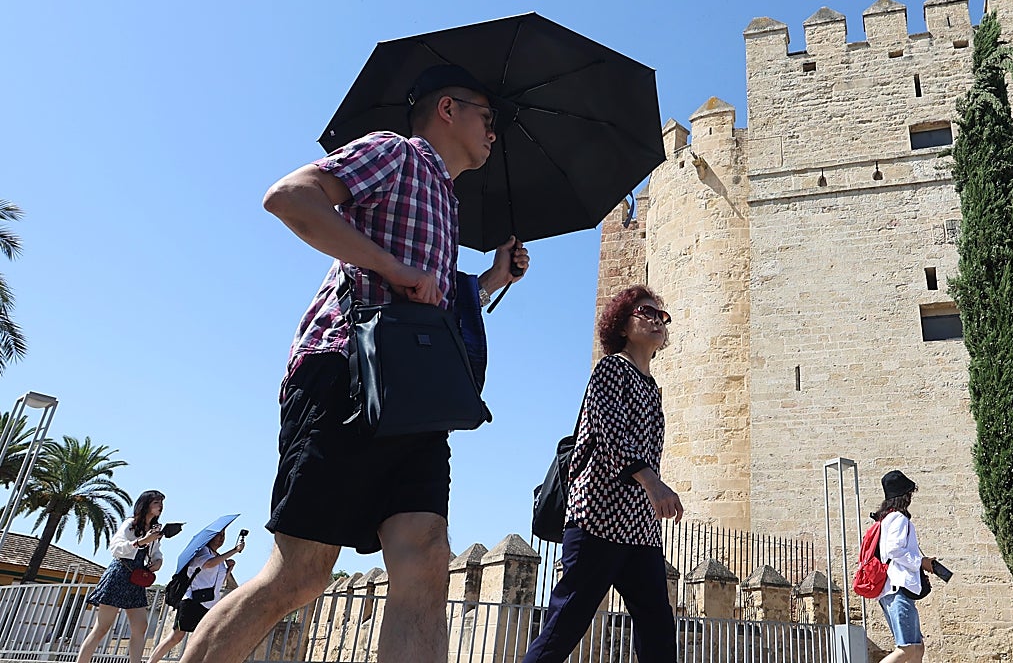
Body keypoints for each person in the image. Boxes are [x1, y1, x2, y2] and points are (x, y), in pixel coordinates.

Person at [180, 64, 529, 663]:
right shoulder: (394, 153)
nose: (493, 133)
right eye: (486, 117)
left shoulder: (448, 198)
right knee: (301, 575)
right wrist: (393, 270)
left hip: (415, 396)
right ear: (448, 109)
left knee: (425, 558)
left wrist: (493, 277)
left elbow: (433, 297)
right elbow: (289, 197)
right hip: (345, 371)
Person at [522, 285, 684, 663]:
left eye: (662, 315)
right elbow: (611, 437)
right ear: (623, 326)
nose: (657, 320)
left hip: (639, 529)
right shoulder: (611, 369)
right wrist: (653, 484)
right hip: (598, 520)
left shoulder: (651, 387)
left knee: (658, 628)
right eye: (647, 312)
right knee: (565, 625)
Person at [76, 490, 167, 663]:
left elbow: (156, 552)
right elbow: (115, 547)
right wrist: (141, 542)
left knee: (140, 627)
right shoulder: (130, 524)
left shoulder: (155, 530)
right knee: (102, 628)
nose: (160, 506)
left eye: (161, 503)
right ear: (145, 504)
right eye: (156, 502)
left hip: (136, 578)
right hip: (119, 575)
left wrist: (158, 561)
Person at [145, 529, 245, 663]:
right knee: (177, 636)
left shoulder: (218, 557)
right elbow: (209, 564)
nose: (221, 538)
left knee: (204, 638)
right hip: (192, 600)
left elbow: (217, 582)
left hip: (209, 603)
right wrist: (234, 550)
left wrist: (228, 570)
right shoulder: (202, 552)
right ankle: (151, 661)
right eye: (218, 535)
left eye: (223, 535)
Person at [873, 470, 937, 663]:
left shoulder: (885, 520)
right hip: (898, 590)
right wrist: (921, 562)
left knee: (917, 649)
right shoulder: (899, 519)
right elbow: (894, 549)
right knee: (907, 650)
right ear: (904, 496)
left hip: (892, 591)